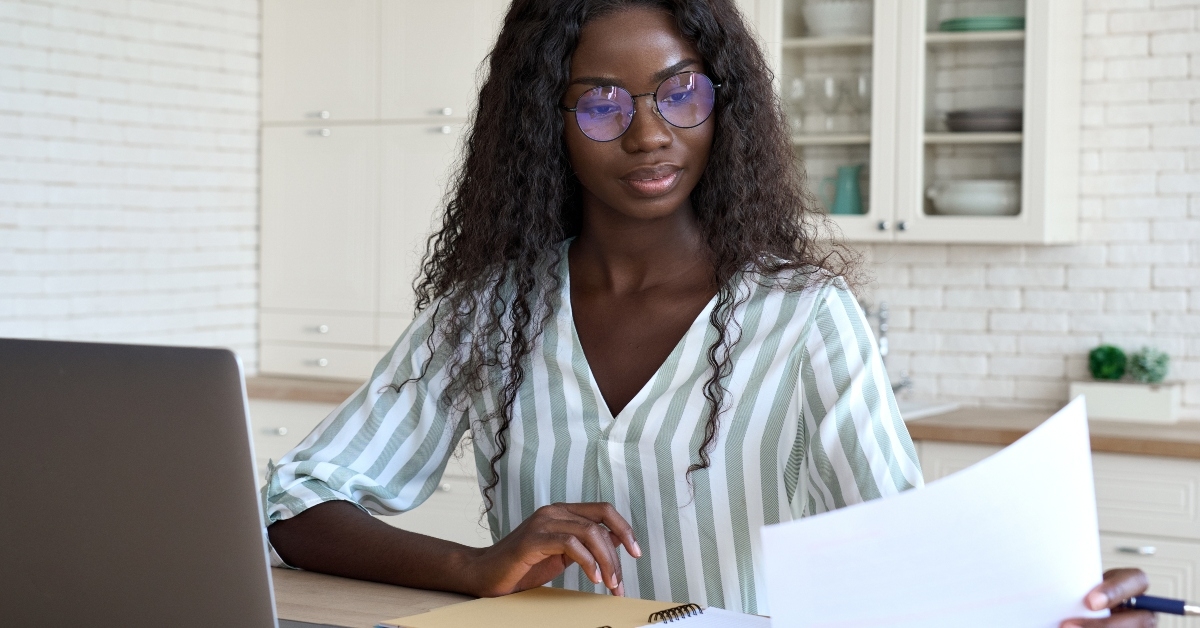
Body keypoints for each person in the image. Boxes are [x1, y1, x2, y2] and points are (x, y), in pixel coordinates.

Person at [262, 0, 1153, 624]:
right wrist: (474, 568)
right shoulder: (490, 314)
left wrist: (1051, 606)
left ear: (723, 102)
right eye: (601, 103)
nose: (649, 133)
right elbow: (297, 503)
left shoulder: (804, 318)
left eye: (680, 92)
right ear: (545, 123)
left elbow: (903, 554)